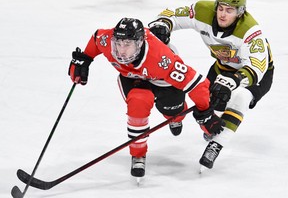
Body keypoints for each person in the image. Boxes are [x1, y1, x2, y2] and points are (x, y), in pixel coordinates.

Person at [68, 17, 224, 178]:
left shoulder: (162, 60)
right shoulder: (108, 40)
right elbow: (96, 38)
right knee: (138, 104)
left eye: (127, 44)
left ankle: (175, 118)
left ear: (140, 43)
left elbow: (197, 84)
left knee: (173, 112)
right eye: (119, 44)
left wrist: (205, 114)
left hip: (163, 80)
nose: (121, 51)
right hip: (133, 80)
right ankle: (138, 154)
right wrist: (85, 59)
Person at [149, 0, 274, 170]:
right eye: (221, 8)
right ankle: (212, 127)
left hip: (254, 76)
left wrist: (235, 81)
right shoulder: (203, 10)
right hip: (222, 67)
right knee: (208, 107)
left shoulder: (250, 31)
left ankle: (216, 145)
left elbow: (258, 66)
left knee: (239, 98)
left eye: (229, 10)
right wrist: (163, 24)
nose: (223, 14)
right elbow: (172, 14)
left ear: (240, 13)